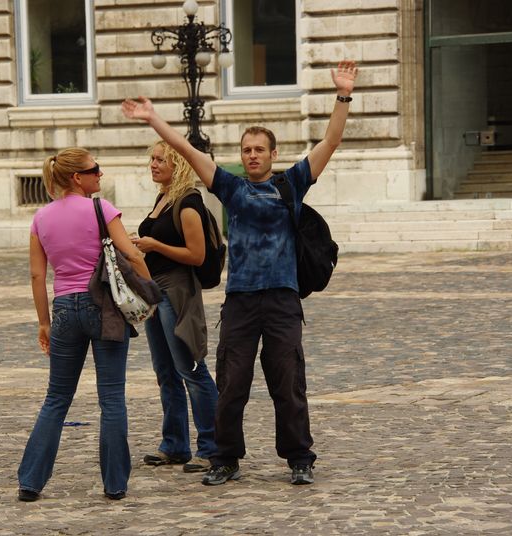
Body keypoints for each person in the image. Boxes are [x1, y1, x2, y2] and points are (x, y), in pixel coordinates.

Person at [121, 60, 358, 486]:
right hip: (241, 301)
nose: (252, 155)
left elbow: (331, 140)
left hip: (282, 298)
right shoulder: (231, 187)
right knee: (232, 383)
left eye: (259, 150)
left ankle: (299, 458)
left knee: (288, 381)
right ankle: (225, 458)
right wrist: (154, 118)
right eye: (247, 150)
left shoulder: (292, 183)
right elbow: (187, 151)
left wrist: (342, 94)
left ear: (273, 154)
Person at [16, 147, 151, 502]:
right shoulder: (101, 209)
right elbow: (131, 253)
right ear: (77, 177)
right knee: (112, 398)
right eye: (95, 169)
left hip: (64, 308)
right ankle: (115, 484)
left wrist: (43, 323)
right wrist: (149, 293)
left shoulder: (41, 218)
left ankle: (30, 481)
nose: (100, 174)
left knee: (57, 398)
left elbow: (37, 275)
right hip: (103, 306)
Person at [132, 140, 219, 473]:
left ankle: (212, 446)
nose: (153, 164)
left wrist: (155, 245)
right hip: (154, 291)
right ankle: (174, 444)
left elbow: (196, 255)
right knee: (165, 372)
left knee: (190, 368)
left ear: (179, 164)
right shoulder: (164, 197)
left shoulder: (188, 203)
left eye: (161, 160)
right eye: (152, 159)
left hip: (177, 290)